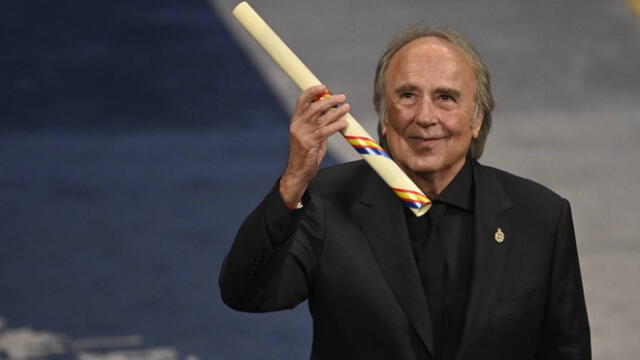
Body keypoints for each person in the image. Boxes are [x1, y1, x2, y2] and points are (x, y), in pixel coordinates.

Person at [219, 26, 591, 360]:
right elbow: (246, 293)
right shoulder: (326, 203)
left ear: (476, 119)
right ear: (383, 115)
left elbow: (566, 350)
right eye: (408, 95)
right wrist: (294, 180)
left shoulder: (540, 217)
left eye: (446, 97)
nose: (425, 117)